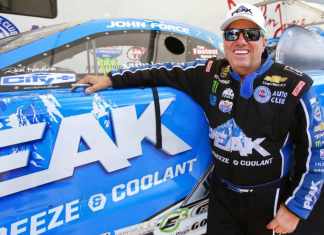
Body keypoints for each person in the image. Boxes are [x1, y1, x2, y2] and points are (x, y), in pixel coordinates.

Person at [75, 3, 324, 235]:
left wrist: (295, 209)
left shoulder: (295, 84)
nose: (240, 41)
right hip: (222, 198)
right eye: (231, 34)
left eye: (250, 34)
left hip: (269, 199)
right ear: (224, 42)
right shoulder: (209, 73)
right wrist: (111, 78)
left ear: (263, 41)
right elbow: (160, 72)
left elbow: (317, 154)